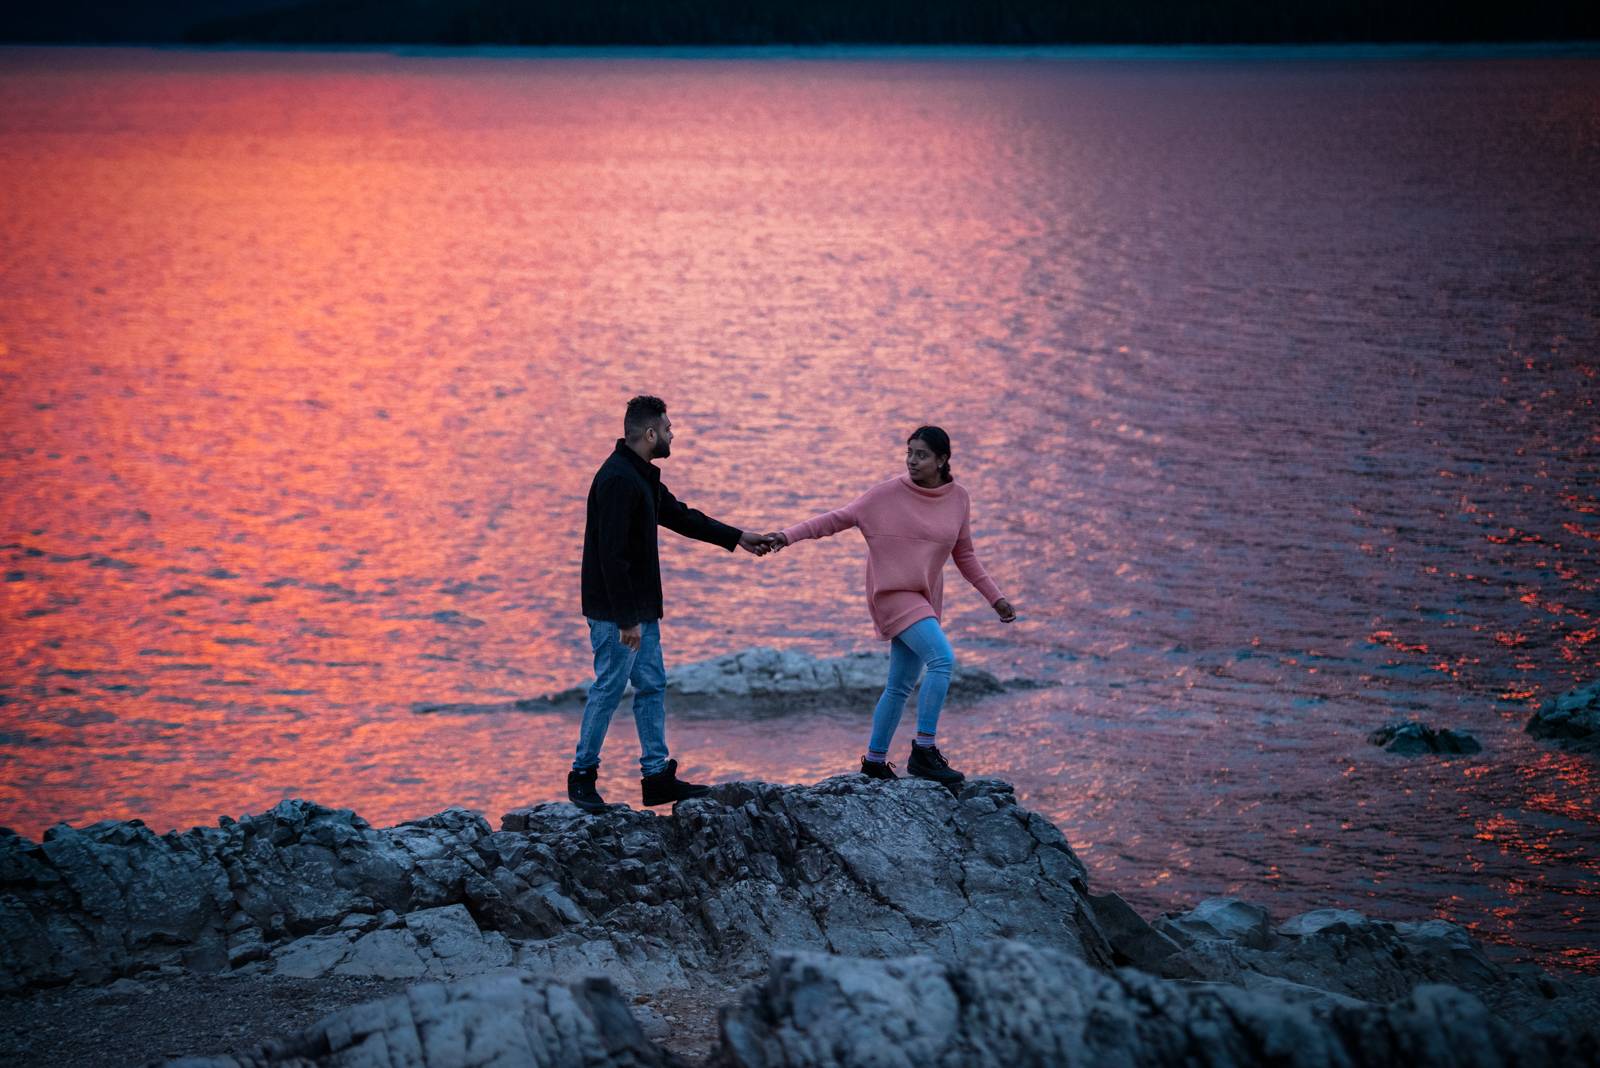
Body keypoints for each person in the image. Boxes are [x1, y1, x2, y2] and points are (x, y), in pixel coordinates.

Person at [765, 426, 1015, 787]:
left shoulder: (959, 499)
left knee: (899, 685)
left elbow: (965, 555)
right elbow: (836, 519)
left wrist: (996, 598)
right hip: (892, 595)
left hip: (924, 598)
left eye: (922, 454)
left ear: (942, 460)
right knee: (942, 660)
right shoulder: (885, 495)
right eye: (909, 452)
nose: (912, 461)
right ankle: (924, 751)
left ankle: (875, 761)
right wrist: (786, 536)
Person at [569, 395, 776, 812]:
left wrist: (736, 536)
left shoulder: (640, 474)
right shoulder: (617, 480)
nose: (672, 433)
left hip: (640, 610)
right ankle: (582, 776)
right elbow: (612, 557)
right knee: (610, 687)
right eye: (667, 427)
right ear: (650, 433)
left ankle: (656, 776)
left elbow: (681, 515)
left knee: (651, 686)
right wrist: (627, 619)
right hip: (618, 614)